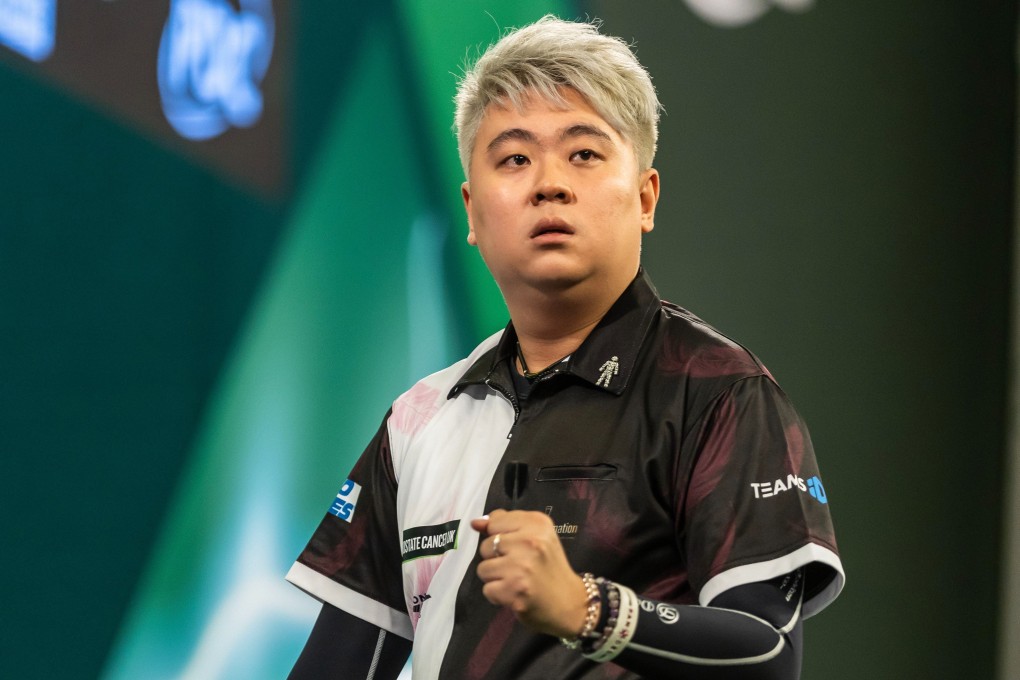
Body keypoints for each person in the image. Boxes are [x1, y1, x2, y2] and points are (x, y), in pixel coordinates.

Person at [286, 15, 844, 680]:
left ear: (645, 197)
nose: (548, 182)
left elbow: (769, 656)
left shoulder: (720, 392)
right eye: (515, 158)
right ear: (470, 210)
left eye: (583, 153)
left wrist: (589, 610)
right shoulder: (420, 416)